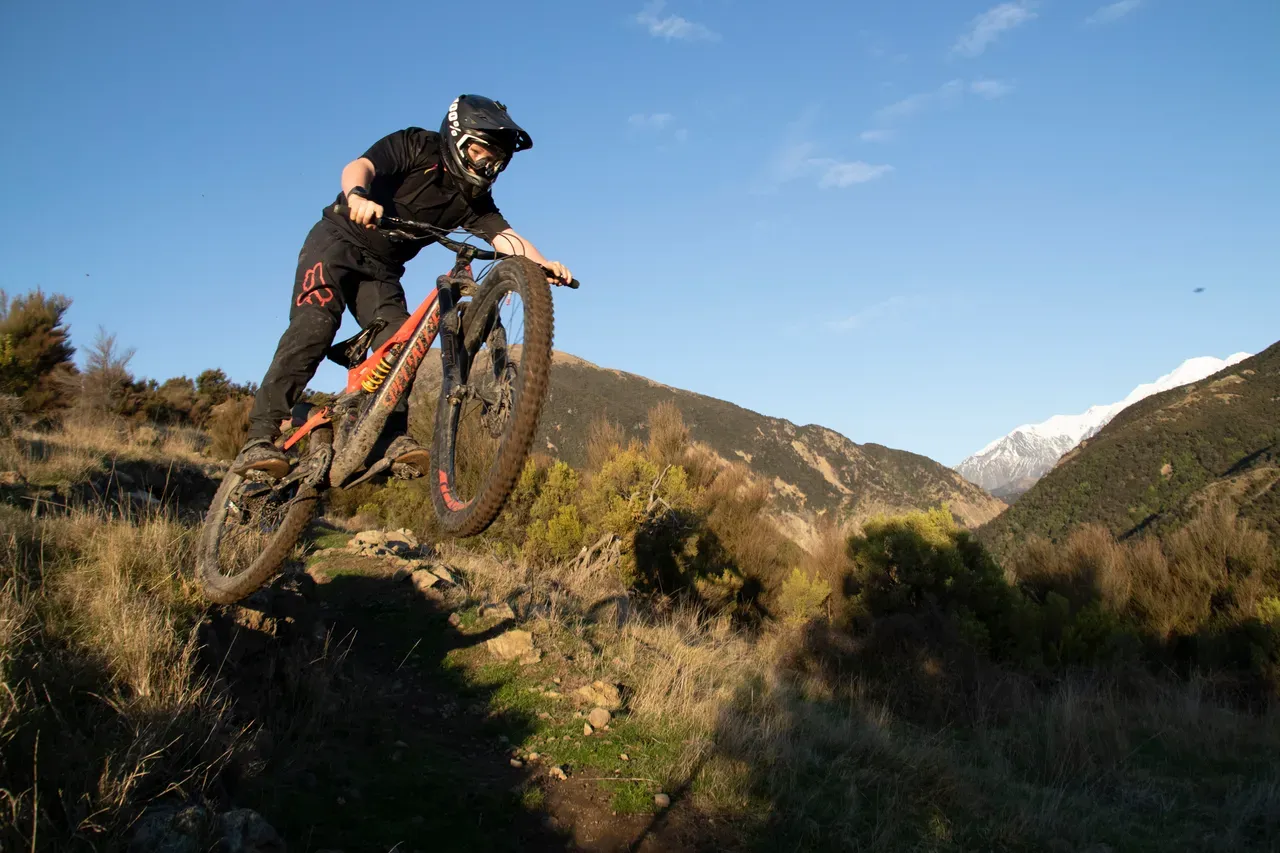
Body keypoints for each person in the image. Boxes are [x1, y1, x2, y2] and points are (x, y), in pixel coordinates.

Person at [232, 94, 571, 480]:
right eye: (479, 152)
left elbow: (505, 237)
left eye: (494, 161)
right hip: (337, 243)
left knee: (400, 345)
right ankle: (261, 434)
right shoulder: (416, 145)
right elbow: (360, 166)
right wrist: (357, 196)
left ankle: (388, 439)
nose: (485, 165)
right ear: (456, 138)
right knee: (316, 324)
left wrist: (542, 265)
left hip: (382, 272)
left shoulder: (473, 200)